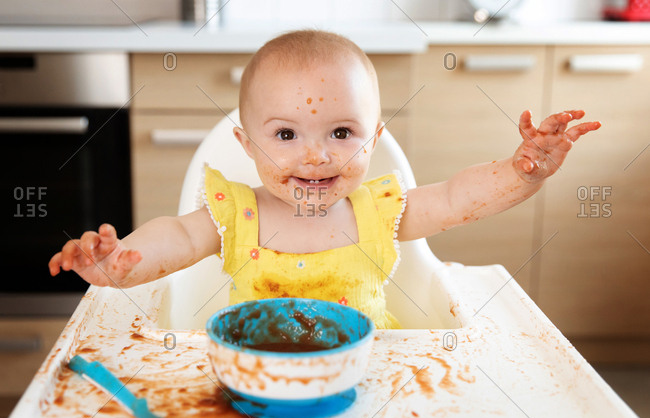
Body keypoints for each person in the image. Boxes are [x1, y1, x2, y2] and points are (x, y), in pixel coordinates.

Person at [48, 30, 600, 329]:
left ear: (373, 138)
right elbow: (175, 237)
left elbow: (460, 199)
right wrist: (118, 263)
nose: (315, 156)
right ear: (247, 145)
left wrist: (523, 170)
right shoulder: (235, 214)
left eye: (340, 132)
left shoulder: (379, 212)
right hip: (253, 384)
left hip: (367, 381)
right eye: (286, 135)